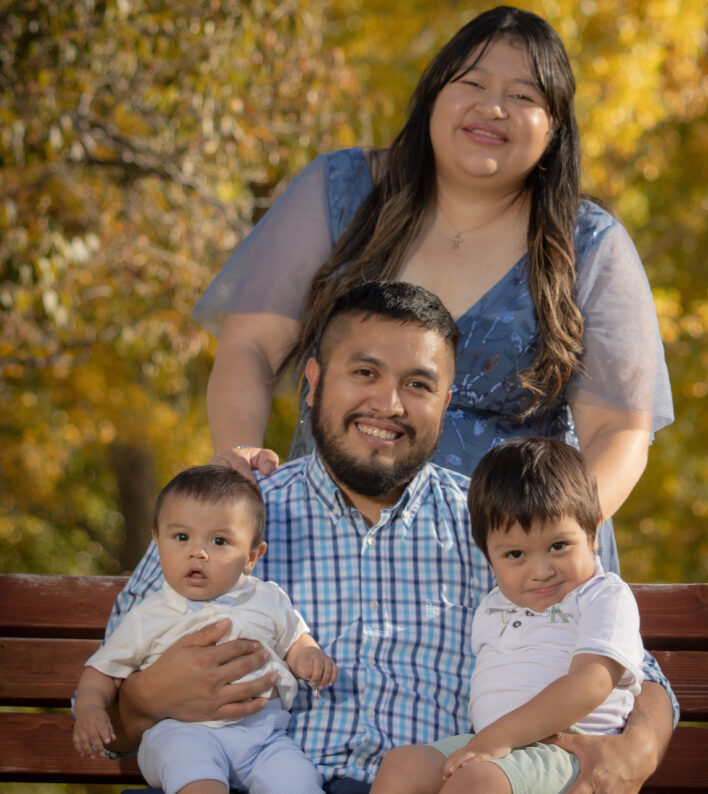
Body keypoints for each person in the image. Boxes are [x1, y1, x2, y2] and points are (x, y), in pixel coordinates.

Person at [108, 283, 673, 794]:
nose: (390, 404)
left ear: (445, 402)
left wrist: (637, 749)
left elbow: (639, 674)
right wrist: (148, 697)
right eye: (365, 373)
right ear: (313, 383)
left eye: (418, 384)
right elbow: (110, 709)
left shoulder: (499, 530)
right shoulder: (226, 522)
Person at [197, 5, 673, 579]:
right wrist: (240, 476)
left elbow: (619, 431)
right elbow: (250, 346)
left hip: (510, 575)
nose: (492, 107)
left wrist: (538, 549)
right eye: (472, 82)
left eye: (524, 96)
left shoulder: (589, 247)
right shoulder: (340, 194)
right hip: (327, 548)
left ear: (555, 128)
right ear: (433, 95)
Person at [368, 437, 644, 794]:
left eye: (558, 546)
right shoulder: (493, 606)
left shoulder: (602, 595)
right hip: (495, 746)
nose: (541, 571)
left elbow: (592, 682)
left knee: (476, 783)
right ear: (488, 556)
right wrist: (491, 741)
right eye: (515, 554)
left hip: (568, 746)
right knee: (403, 765)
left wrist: (497, 738)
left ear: (592, 533)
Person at [74, 465, 336, 794]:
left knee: (300, 786)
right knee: (198, 783)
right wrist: (90, 710)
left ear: (251, 556)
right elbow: (102, 671)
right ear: (157, 542)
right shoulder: (149, 613)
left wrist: (308, 655)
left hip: (264, 737)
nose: (198, 551)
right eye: (181, 537)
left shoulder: (266, 597)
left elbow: (295, 639)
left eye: (219, 540)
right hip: (181, 733)